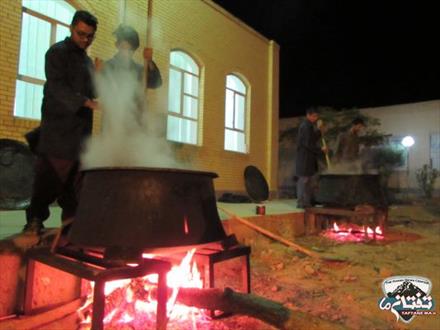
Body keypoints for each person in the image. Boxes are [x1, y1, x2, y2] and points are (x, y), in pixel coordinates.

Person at [23, 11, 99, 234]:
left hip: (81, 134)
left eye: (90, 36)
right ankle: (35, 220)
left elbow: (93, 92)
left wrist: (101, 81)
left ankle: (71, 227)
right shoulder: (57, 53)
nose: (85, 39)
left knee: (76, 186)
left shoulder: (87, 62)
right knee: (49, 179)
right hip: (58, 131)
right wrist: (86, 102)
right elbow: (57, 88)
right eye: (81, 34)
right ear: (71, 28)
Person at [99, 24, 162, 127]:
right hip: (112, 122)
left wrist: (149, 61)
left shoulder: (139, 70)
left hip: (135, 123)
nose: (126, 53)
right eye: (124, 48)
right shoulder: (107, 67)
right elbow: (98, 91)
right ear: (117, 45)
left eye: (130, 50)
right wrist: (97, 73)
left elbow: (157, 82)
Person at [295, 108, 327, 209]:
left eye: (316, 116)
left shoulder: (309, 126)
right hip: (305, 159)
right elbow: (308, 143)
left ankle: (308, 201)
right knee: (304, 181)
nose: (315, 118)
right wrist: (321, 149)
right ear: (308, 115)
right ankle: (301, 202)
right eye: (314, 116)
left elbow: (312, 138)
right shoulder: (305, 126)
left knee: (310, 181)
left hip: (309, 159)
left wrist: (319, 131)